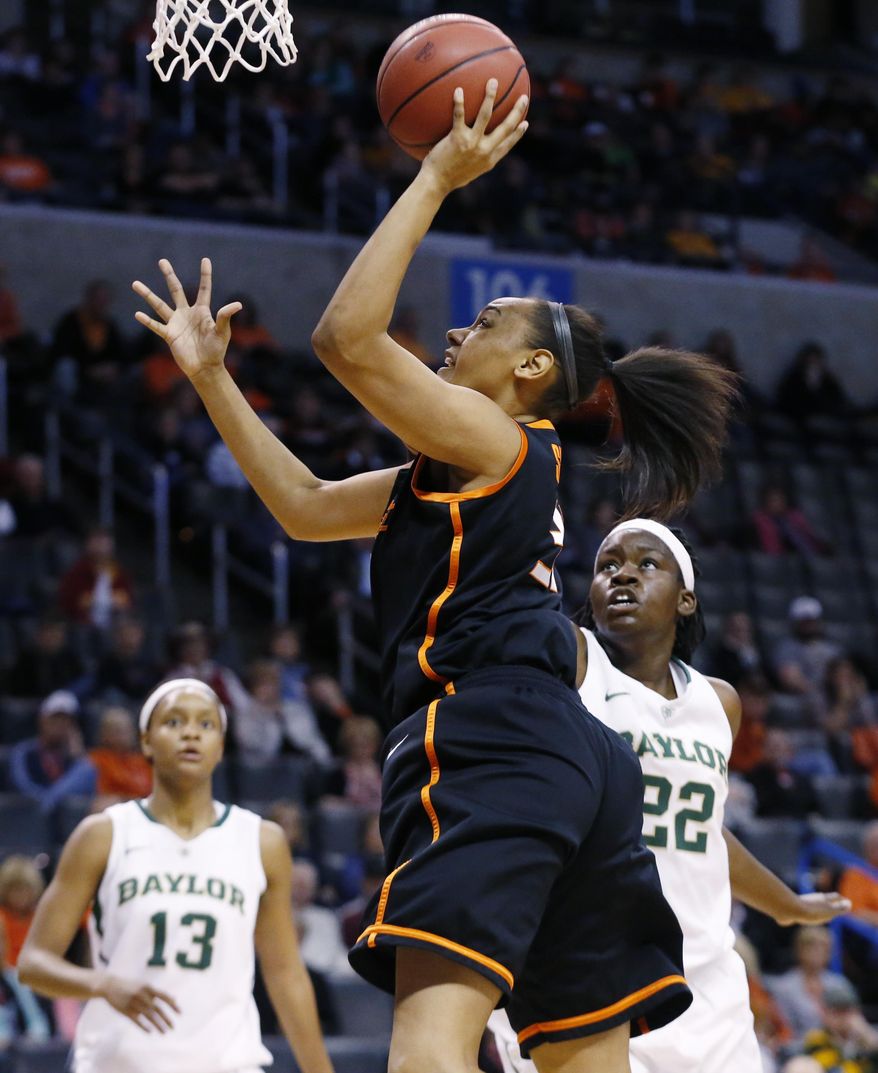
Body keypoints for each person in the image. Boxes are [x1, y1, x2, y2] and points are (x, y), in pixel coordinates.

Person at [133, 82, 740, 1072]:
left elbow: (345, 341)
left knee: (426, 1051)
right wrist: (212, 378)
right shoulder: (469, 464)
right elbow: (301, 503)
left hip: (487, 734)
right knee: (583, 1061)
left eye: (489, 319)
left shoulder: (500, 436)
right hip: (576, 758)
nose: (460, 330)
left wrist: (433, 176)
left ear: (532, 369)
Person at [489, 520, 850, 1073]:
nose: (623, 575)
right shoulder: (574, 661)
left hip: (704, 977)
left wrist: (787, 905)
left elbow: (701, 830)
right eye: (607, 566)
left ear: (686, 599)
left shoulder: (718, 703)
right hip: (588, 968)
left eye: (645, 564)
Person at [18, 678, 334, 1073]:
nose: (190, 732)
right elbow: (33, 963)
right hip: (117, 1064)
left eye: (206, 725)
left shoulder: (261, 841)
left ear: (220, 746)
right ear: (146, 741)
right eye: (174, 722)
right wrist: (102, 984)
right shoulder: (104, 834)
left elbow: (286, 975)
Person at [8, 690, 96, 814]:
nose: (60, 724)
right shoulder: (23, 752)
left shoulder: (76, 760)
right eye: (55, 718)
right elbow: (22, 786)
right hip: (29, 817)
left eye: (66, 720)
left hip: (66, 820)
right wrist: (46, 800)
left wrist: (78, 759)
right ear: (42, 719)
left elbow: (89, 791)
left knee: (87, 769)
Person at [768, 926, 855, 1044]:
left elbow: (853, 1019)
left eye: (824, 947)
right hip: (800, 1048)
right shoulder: (784, 987)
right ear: (799, 950)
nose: (818, 952)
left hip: (842, 1045)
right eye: (811, 946)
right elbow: (783, 1030)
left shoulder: (840, 984)